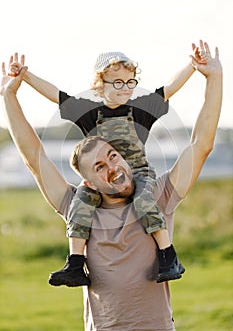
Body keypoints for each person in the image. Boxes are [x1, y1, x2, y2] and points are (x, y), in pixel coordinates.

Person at [1, 40, 223, 330]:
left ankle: (169, 256)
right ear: (87, 181)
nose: (113, 166)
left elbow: (201, 143)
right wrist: (9, 95)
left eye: (114, 156)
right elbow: (34, 157)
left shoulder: (159, 195)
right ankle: (73, 264)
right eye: (99, 167)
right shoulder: (75, 206)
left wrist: (214, 78)